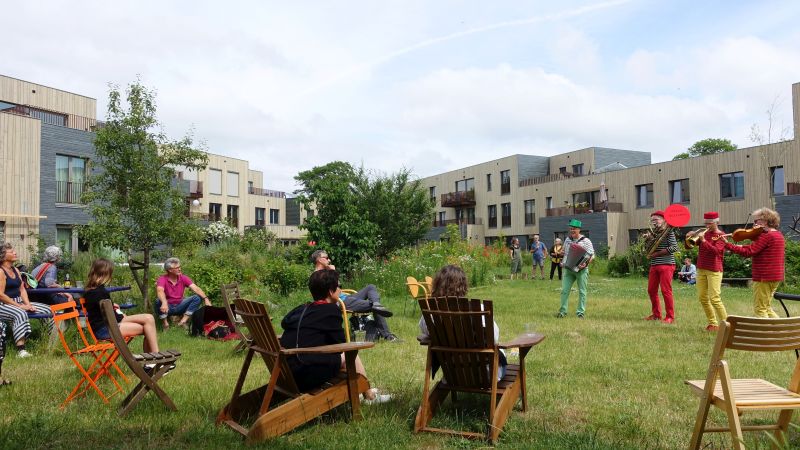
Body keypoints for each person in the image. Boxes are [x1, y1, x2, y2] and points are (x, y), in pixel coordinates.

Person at [280, 269, 391, 404]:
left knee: (344, 355)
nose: (341, 290)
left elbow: (285, 323)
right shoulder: (330, 310)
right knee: (350, 353)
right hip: (306, 373)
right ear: (331, 291)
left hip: (286, 370)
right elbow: (340, 345)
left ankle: (358, 391)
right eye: (339, 286)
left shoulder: (301, 308)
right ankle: (369, 396)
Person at [418, 264, 506, 379]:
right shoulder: (478, 310)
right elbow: (494, 338)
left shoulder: (430, 313)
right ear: (463, 286)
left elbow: (425, 331)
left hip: (453, 375)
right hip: (486, 374)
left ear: (438, 284)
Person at [311, 250, 399, 342]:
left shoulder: (325, 272)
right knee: (375, 307)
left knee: (370, 287)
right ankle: (387, 336)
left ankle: (376, 304)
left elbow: (339, 288)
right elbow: (333, 292)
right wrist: (333, 272)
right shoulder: (317, 276)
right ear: (319, 260)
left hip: (345, 297)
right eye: (326, 258)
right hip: (340, 301)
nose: (329, 260)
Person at [83, 259, 160, 353]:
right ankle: (155, 356)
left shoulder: (92, 291)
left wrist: (113, 306)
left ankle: (154, 357)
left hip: (108, 325)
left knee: (149, 318)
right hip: (106, 329)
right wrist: (121, 314)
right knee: (147, 327)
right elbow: (111, 316)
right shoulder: (100, 292)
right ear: (105, 274)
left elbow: (102, 311)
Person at [724, 207, 785, 318]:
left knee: (760, 309)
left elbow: (749, 252)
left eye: (756, 221)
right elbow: (757, 248)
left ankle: (765, 334)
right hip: (775, 276)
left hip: (764, 277)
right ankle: (780, 331)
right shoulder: (778, 235)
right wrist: (741, 246)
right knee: (767, 307)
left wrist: (728, 246)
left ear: (765, 221)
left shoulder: (766, 236)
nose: (754, 223)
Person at [0, 242, 53, 358]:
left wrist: (28, 304)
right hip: (3, 304)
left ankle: (50, 343)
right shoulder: (1, 271)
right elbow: (1, 295)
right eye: (11, 251)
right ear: (3, 256)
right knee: (20, 313)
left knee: (49, 310)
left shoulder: (15, 270)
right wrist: (20, 306)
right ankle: (21, 350)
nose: (15, 252)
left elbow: (22, 289)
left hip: (18, 302)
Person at [154, 257, 212, 330]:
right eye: (177, 268)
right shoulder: (162, 279)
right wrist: (164, 302)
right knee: (158, 301)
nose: (180, 269)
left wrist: (206, 299)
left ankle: (183, 322)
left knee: (197, 298)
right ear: (170, 270)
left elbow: (196, 288)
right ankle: (165, 324)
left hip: (180, 305)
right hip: (167, 307)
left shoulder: (183, 278)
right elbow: (160, 291)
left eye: (179, 267)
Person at [693, 211, 728, 331]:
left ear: (716, 222)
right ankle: (713, 323)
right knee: (702, 297)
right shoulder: (704, 233)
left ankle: (727, 325)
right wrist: (689, 237)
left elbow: (716, 252)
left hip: (714, 269)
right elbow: (690, 245)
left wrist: (703, 241)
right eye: (705, 223)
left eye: (709, 223)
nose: (707, 225)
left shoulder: (721, 235)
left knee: (715, 298)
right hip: (701, 268)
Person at [644, 210, 679, 324]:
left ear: (663, 220)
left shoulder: (669, 232)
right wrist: (647, 240)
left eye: (656, 219)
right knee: (651, 290)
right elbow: (648, 250)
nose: (654, 222)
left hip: (667, 264)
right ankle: (656, 314)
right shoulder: (654, 233)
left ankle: (670, 316)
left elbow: (674, 248)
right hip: (654, 265)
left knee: (666, 291)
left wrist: (657, 254)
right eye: (652, 220)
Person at [557, 220, 594, 319]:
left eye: (574, 229)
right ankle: (562, 312)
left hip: (581, 270)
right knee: (564, 290)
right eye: (570, 228)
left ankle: (580, 313)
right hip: (568, 269)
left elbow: (592, 255)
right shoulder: (568, 239)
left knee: (582, 291)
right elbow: (564, 252)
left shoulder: (586, 241)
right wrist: (562, 258)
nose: (572, 230)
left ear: (579, 229)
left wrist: (585, 264)